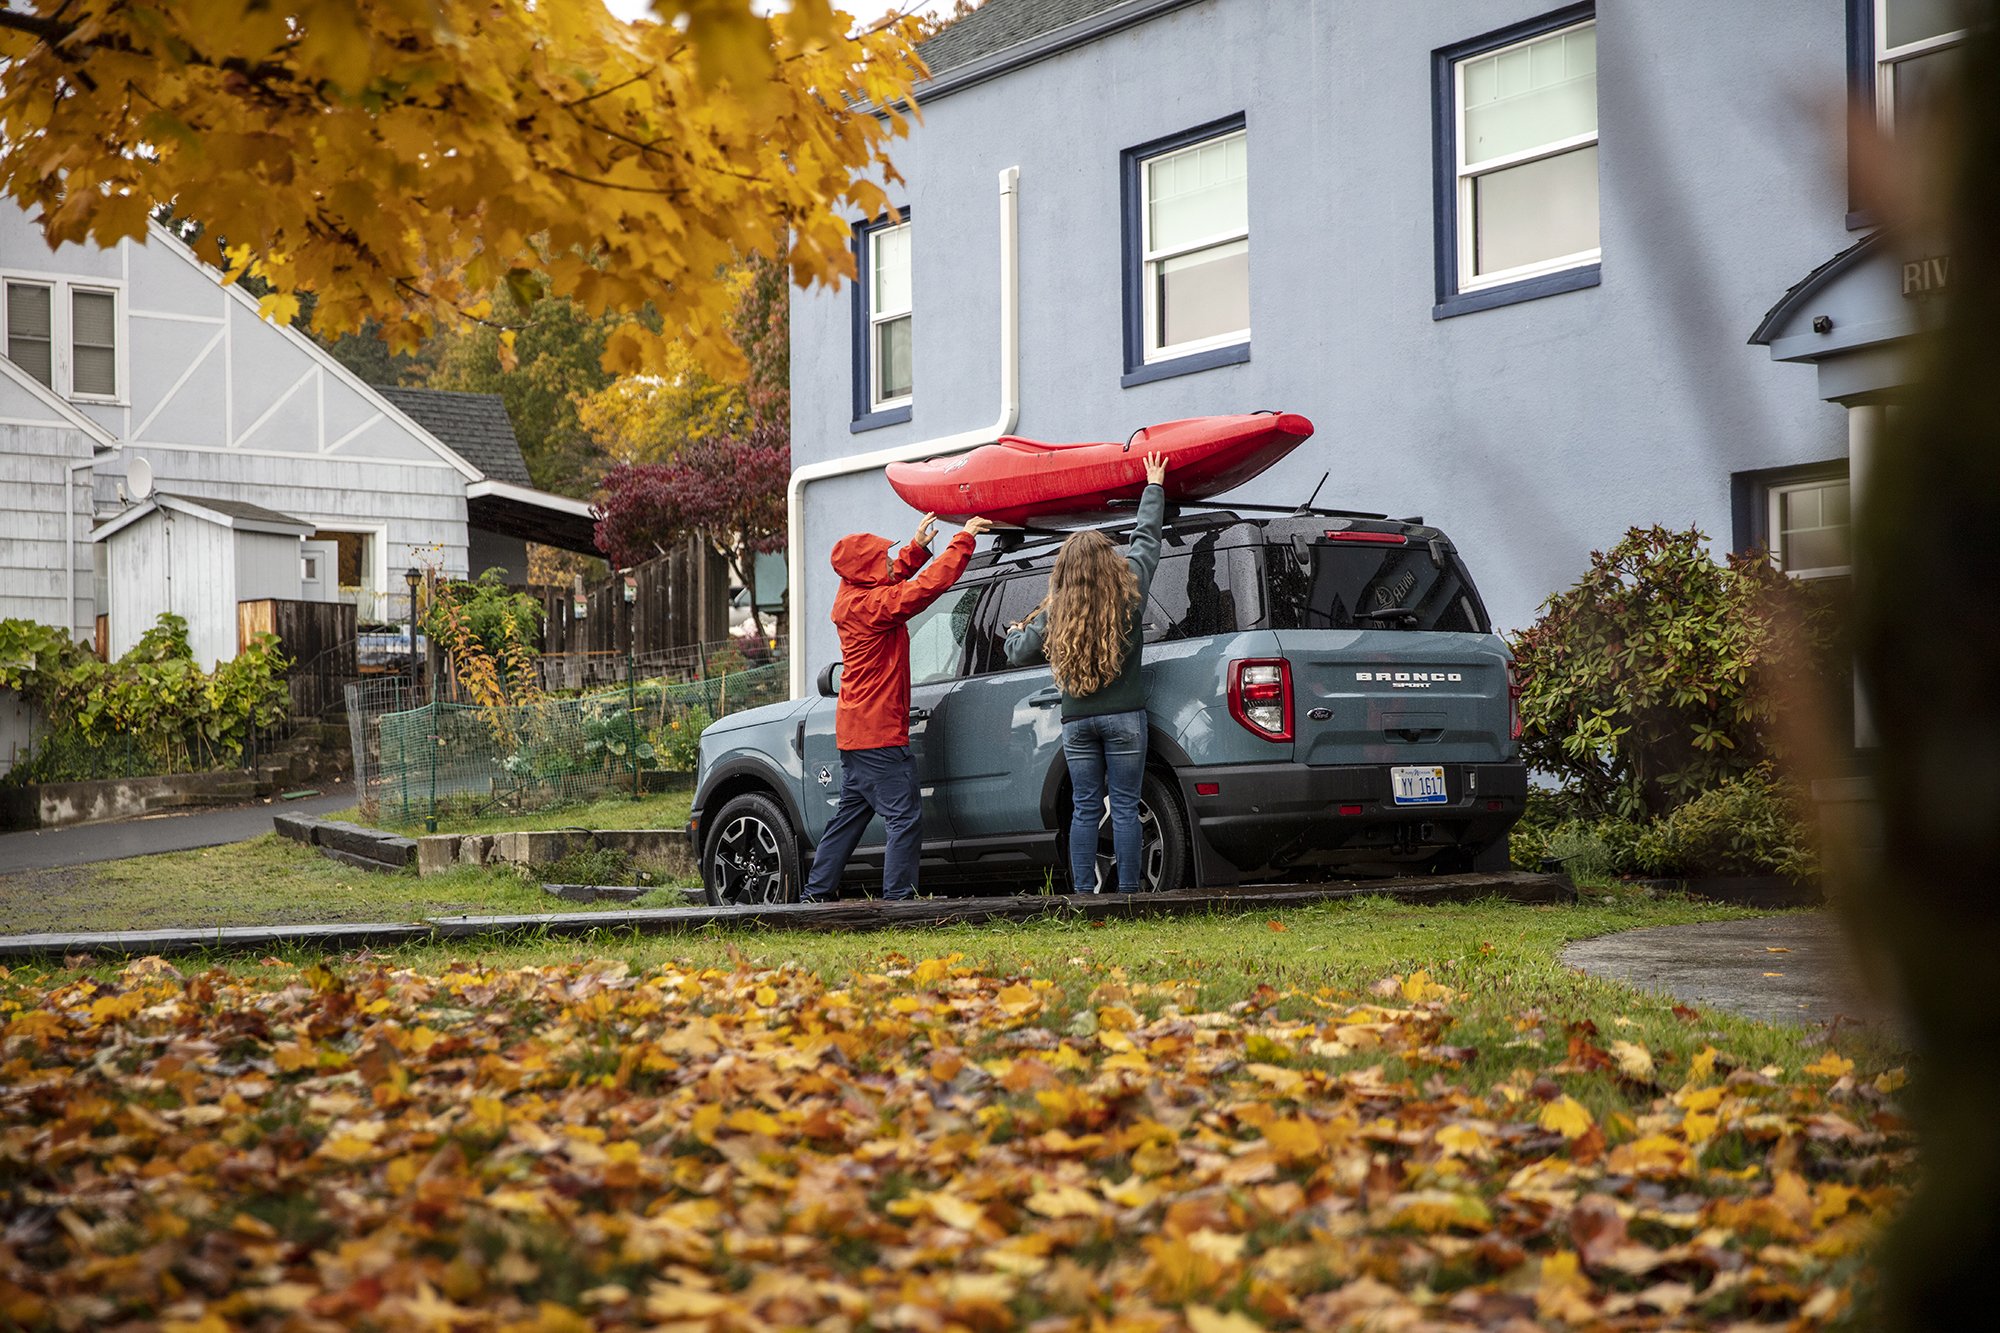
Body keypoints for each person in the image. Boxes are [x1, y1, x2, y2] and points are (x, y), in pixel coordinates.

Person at [802, 510, 995, 903]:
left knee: (847, 821)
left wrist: (918, 547)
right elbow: (921, 590)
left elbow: (892, 578)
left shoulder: (852, 597)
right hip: (879, 736)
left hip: (856, 735)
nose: (889, 560)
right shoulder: (872, 608)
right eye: (881, 556)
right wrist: (964, 541)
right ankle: (897, 903)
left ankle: (814, 895)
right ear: (865, 570)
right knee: (904, 819)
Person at [1005, 452, 1169, 894]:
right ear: (1108, 563)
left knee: (1083, 808)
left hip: (1077, 723)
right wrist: (1153, 486)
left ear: (1066, 571)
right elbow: (1146, 541)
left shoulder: (1056, 610)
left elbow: (1017, 652)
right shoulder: (1129, 588)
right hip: (1125, 720)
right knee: (1126, 806)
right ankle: (1130, 894)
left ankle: (1083, 894)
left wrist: (1013, 632)